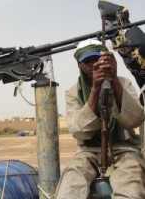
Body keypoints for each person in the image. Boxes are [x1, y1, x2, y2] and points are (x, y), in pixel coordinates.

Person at [55, 39, 145, 198]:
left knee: (131, 180)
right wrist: (95, 89)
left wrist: (115, 80)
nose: (92, 64)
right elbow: (79, 131)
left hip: (124, 148)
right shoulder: (73, 92)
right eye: (86, 61)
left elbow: (136, 119)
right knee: (72, 179)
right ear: (79, 65)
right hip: (89, 150)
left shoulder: (124, 83)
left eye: (96, 59)